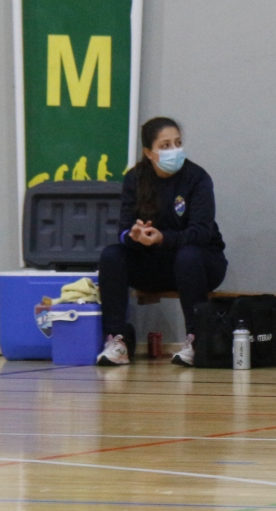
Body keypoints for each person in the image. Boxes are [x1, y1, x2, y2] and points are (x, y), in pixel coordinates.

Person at [97, 117, 228, 366]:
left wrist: (163, 238)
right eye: (165, 145)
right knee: (112, 255)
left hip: (200, 264)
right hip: (154, 265)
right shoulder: (135, 178)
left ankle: (195, 340)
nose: (174, 150)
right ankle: (117, 340)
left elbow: (201, 233)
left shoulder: (197, 178)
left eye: (177, 143)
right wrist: (135, 237)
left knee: (188, 255)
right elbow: (123, 230)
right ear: (149, 152)